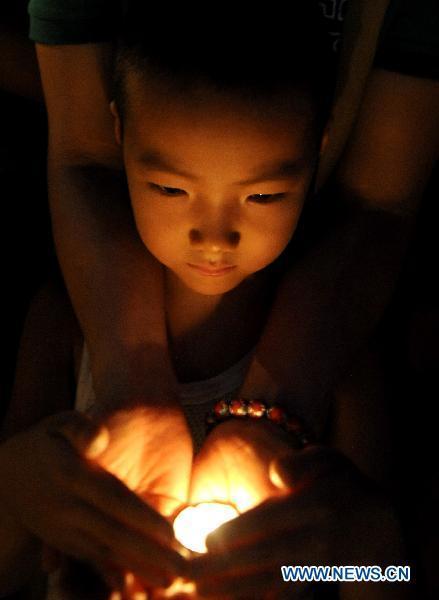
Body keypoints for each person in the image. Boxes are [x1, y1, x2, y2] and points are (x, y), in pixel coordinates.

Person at [0, 6, 410, 599]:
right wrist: (15, 489)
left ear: (316, 154)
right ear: (120, 137)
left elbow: (381, 577)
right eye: (171, 188)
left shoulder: (343, 357)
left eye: (264, 194)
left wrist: (364, 548)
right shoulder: (64, 322)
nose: (214, 237)